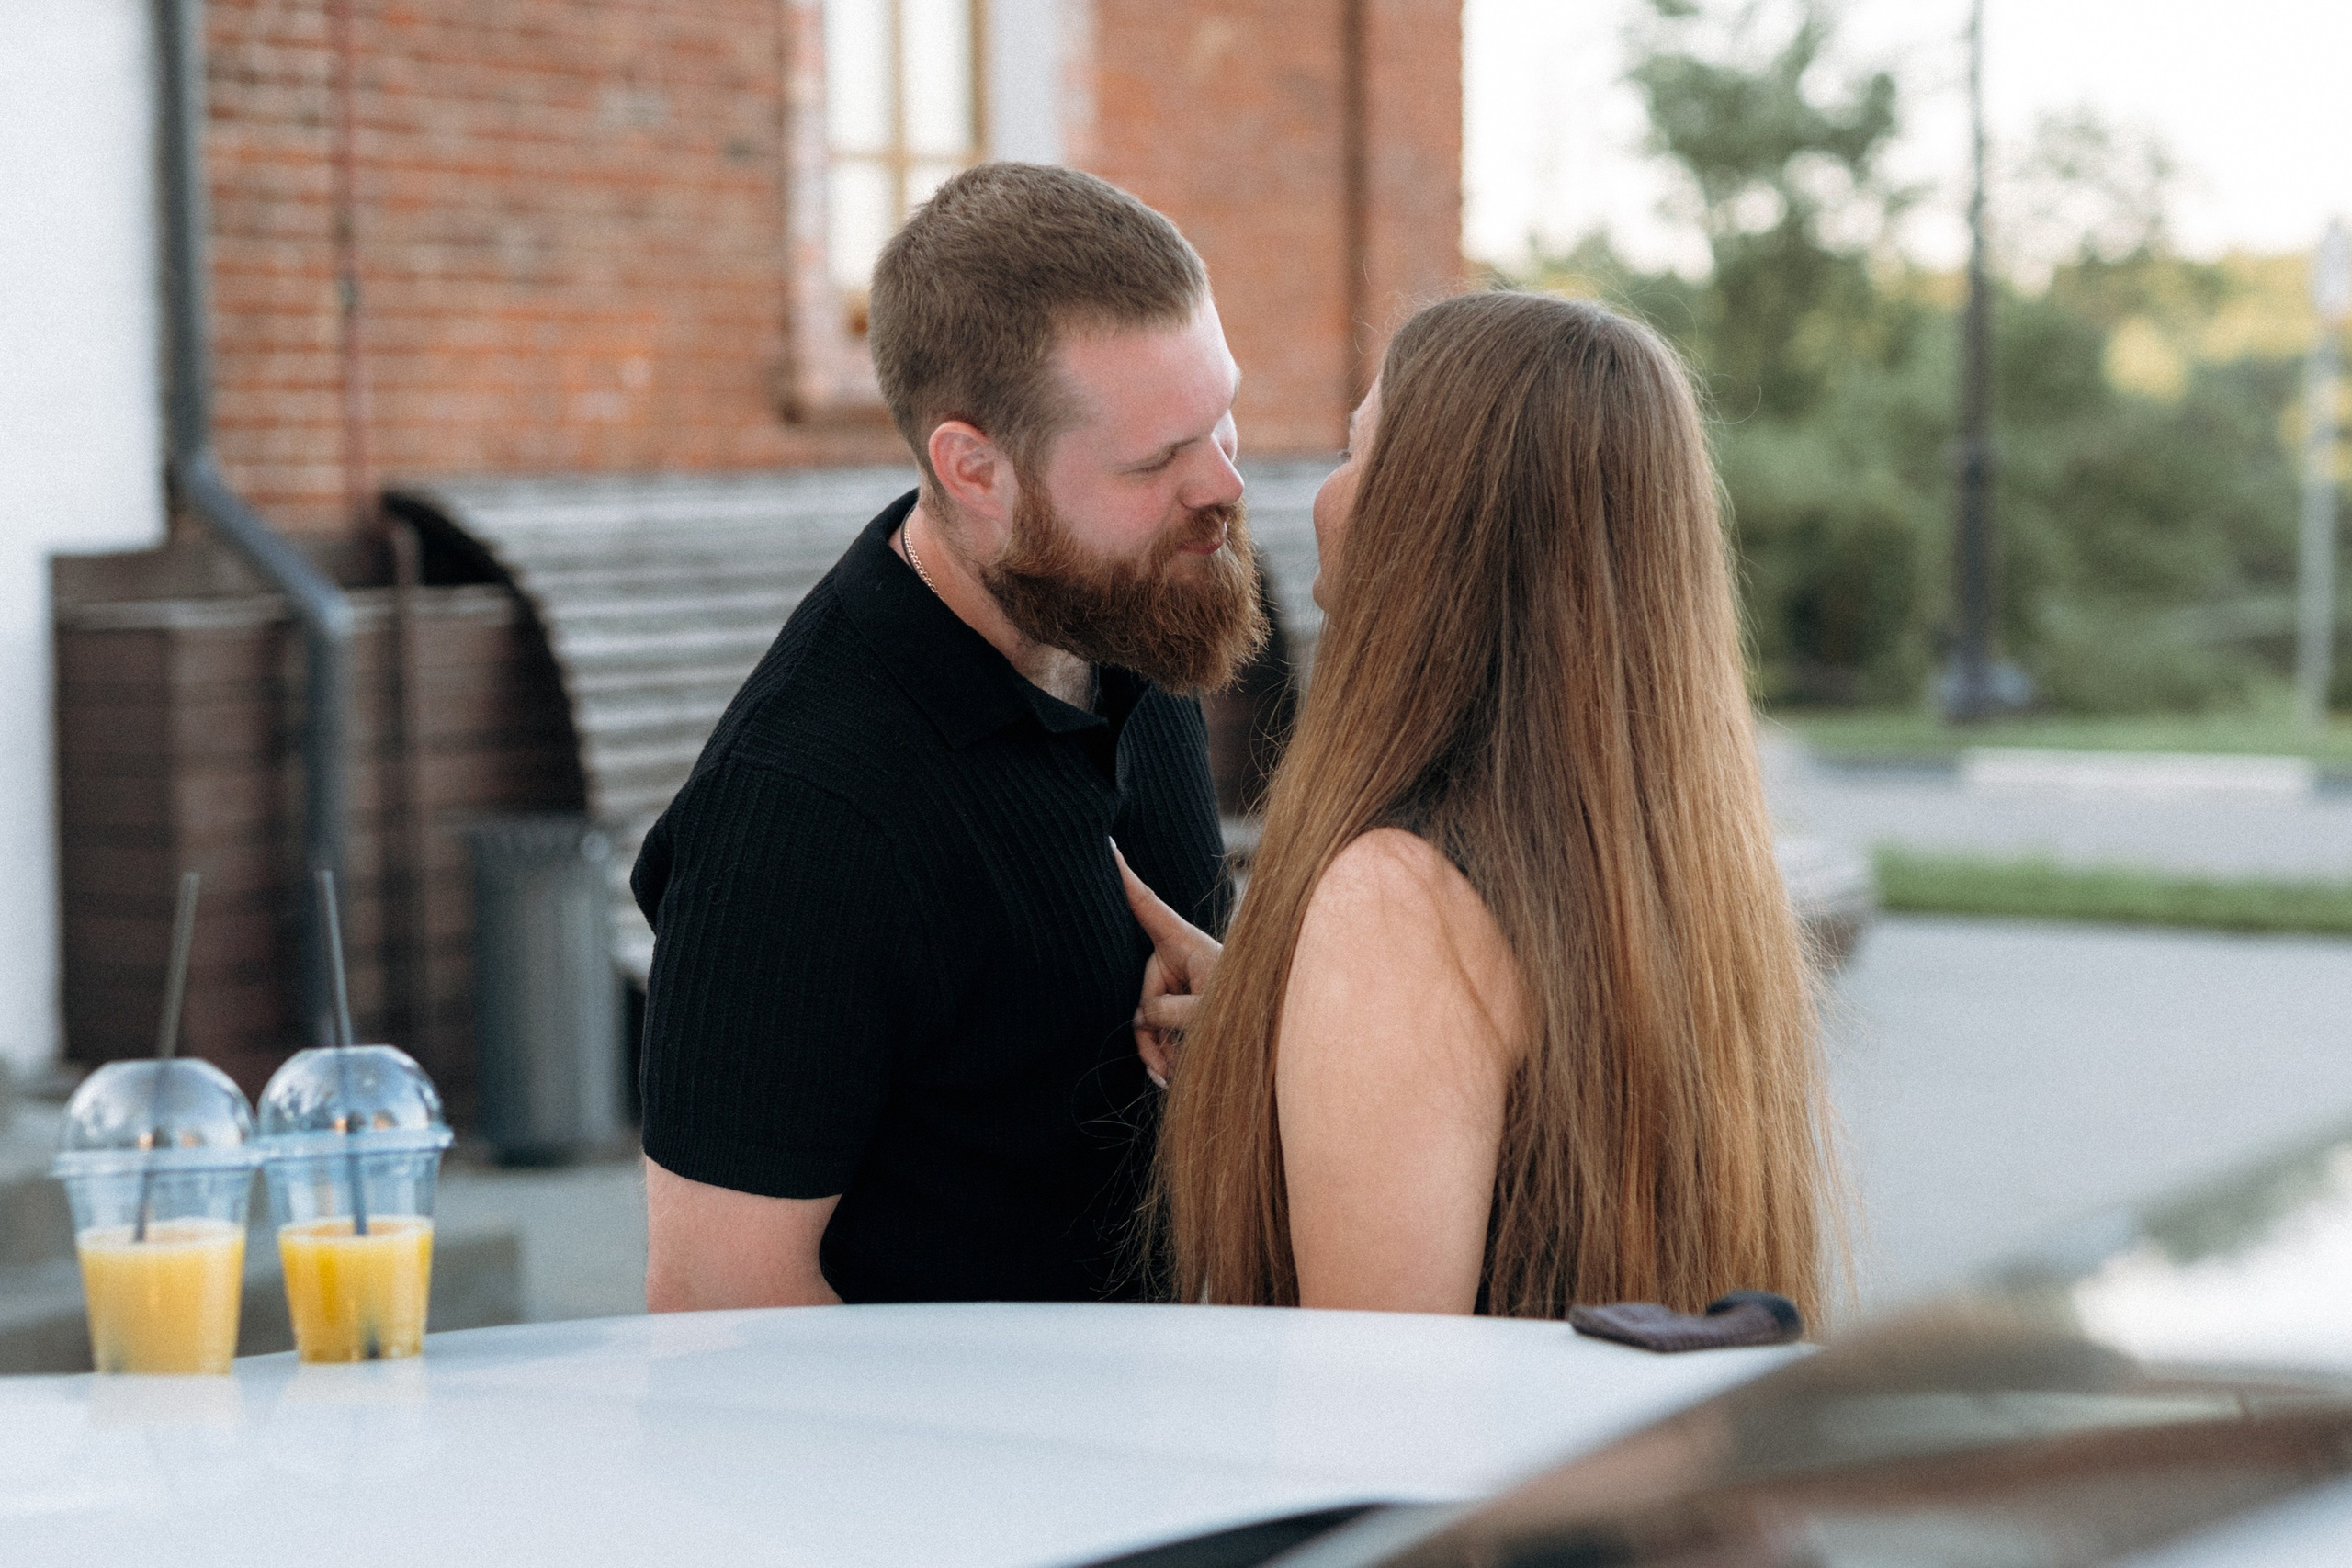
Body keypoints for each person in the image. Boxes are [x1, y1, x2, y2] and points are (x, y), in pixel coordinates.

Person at [1121, 290, 1835, 1322]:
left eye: (1355, 453)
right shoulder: (1660, 863)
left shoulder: (1399, 901)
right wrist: (1283, 1029)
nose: (1321, 495)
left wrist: (1344, 989)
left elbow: (1373, 1410)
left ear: (1435, 519)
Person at [633, 163, 1264, 1309]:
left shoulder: (1129, 609)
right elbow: (718, 1310)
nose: (1220, 485)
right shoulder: (802, 811)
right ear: (972, 466)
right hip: (950, 1481)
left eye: (1222, 419)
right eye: (1154, 460)